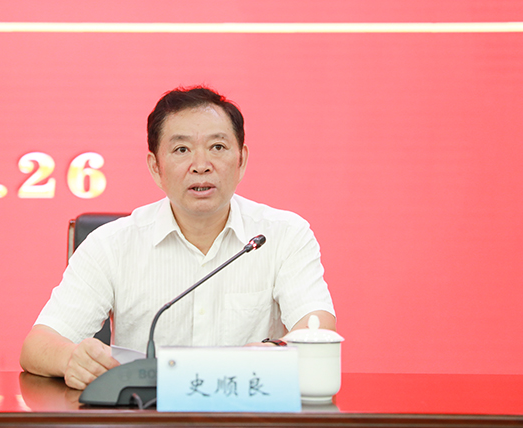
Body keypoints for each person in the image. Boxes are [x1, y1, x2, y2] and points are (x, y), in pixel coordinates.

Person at [20, 86, 336, 390]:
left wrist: (278, 350)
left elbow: (317, 328)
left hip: (249, 414)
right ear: (155, 168)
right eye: (181, 150)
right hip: (148, 416)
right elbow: (37, 346)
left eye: (217, 147)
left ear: (241, 160)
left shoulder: (284, 235)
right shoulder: (111, 245)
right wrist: (72, 359)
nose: (201, 166)